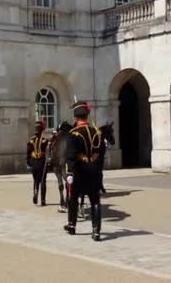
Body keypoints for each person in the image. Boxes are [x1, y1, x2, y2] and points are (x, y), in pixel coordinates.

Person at [63, 101, 105, 241]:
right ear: (86, 115)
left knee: (73, 197)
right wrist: (98, 169)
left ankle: (72, 225)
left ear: (76, 118)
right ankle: (96, 231)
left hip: (79, 172)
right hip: (94, 171)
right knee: (95, 200)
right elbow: (101, 154)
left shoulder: (73, 133)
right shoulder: (97, 132)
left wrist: (69, 173)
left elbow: (70, 156)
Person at [27, 120, 49, 206]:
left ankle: (35, 192)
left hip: (33, 162)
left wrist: (28, 162)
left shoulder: (31, 140)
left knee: (35, 180)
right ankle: (43, 200)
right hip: (42, 163)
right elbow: (47, 153)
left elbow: (28, 152)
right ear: (42, 130)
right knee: (43, 181)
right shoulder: (45, 141)